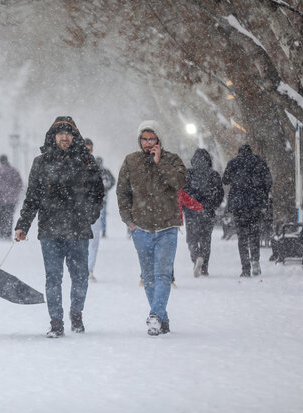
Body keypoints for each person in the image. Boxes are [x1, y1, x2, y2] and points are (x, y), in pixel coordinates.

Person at [14, 116, 104, 338]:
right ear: (53, 136)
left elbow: (97, 193)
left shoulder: (86, 161)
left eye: (68, 133)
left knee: (80, 276)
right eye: (60, 133)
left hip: (78, 229)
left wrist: (89, 216)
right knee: (53, 278)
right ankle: (56, 321)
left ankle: (76, 314)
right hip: (50, 230)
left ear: (75, 137)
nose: (64, 137)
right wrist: (23, 225)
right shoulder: (41, 162)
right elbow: (32, 197)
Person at [116, 120, 186, 336]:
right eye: (144, 139)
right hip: (142, 229)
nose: (147, 143)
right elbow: (122, 192)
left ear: (159, 140)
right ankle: (162, 319)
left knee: (163, 275)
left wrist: (159, 163)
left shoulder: (172, 160)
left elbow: (180, 182)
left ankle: (154, 315)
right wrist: (129, 221)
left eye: (151, 139)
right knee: (148, 277)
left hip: (167, 227)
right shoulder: (131, 161)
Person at [222, 144, 272, 277]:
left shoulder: (233, 163)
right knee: (254, 235)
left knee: (242, 237)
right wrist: (262, 196)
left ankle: (245, 268)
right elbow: (268, 181)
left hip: (239, 206)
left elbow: (225, 180)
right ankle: (255, 261)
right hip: (255, 206)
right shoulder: (259, 162)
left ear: (239, 153)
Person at [183, 148, 224, 277]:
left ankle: (196, 256)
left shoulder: (187, 174)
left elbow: (183, 193)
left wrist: (188, 206)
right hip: (208, 212)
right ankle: (204, 267)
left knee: (192, 239)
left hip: (192, 212)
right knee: (206, 239)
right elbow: (219, 193)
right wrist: (212, 206)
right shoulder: (214, 175)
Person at [83, 138, 114, 282]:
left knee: (93, 241)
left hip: (95, 208)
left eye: (89, 150)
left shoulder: (98, 169)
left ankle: (88, 269)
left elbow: (106, 183)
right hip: (77, 210)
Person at [0, 154, 23, 240]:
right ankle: (8, 233)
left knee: (1, 216)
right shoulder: (14, 171)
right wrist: (15, 192)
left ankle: (2, 233)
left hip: (1, 199)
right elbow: (19, 183)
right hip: (12, 199)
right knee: (9, 216)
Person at [97, 157, 116, 238]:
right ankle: (101, 230)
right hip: (98, 195)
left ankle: (103, 231)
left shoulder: (105, 171)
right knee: (101, 213)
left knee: (102, 213)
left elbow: (113, 180)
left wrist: (107, 188)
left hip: (103, 195)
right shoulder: (93, 170)